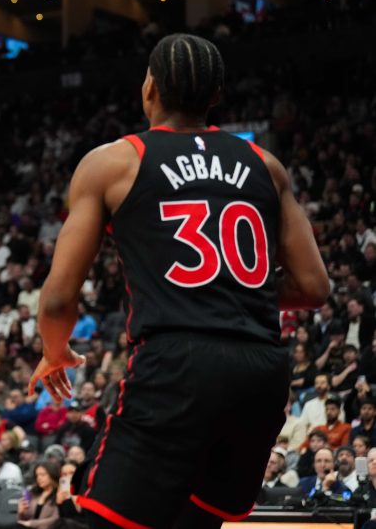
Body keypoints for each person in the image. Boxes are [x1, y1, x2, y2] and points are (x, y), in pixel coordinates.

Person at [28, 34, 330, 528]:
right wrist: (231, 291)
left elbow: (60, 297)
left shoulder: (114, 162)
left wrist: (54, 350)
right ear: (216, 96)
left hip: (178, 365)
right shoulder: (266, 164)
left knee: (107, 520)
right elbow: (315, 287)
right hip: (261, 370)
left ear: (148, 88)